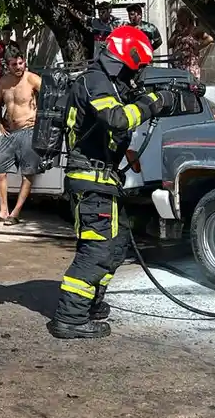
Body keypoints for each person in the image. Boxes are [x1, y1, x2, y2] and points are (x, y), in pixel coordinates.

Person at [51, 26, 182, 340]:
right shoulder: (94, 81)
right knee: (97, 250)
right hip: (90, 181)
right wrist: (154, 102)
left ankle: (90, 304)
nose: (133, 76)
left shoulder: (107, 84)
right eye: (132, 68)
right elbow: (118, 119)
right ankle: (70, 317)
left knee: (117, 243)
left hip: (104, 182)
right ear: (122, 59)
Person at [0, 45, 41, 225]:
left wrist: (42, 121)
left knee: (27, 173)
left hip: (29, 129)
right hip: (10, 133)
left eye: (21, 63)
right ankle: (3, 211)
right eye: (14, 64)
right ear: (7, 65)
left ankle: (15, 213)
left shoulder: (32, 79)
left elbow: (51, 97)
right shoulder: (3, 82)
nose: (18, 67)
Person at [170, 6, 214, 79]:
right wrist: (176, 33)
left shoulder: (195, 30)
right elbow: (169, 44)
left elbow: (210, 39)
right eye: (178, 16)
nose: (178, 19)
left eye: (181, 16)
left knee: (191, 87)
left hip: (190, 66)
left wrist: (198, 48)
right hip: (177, 67)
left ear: (187, 17)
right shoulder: (177, 31)